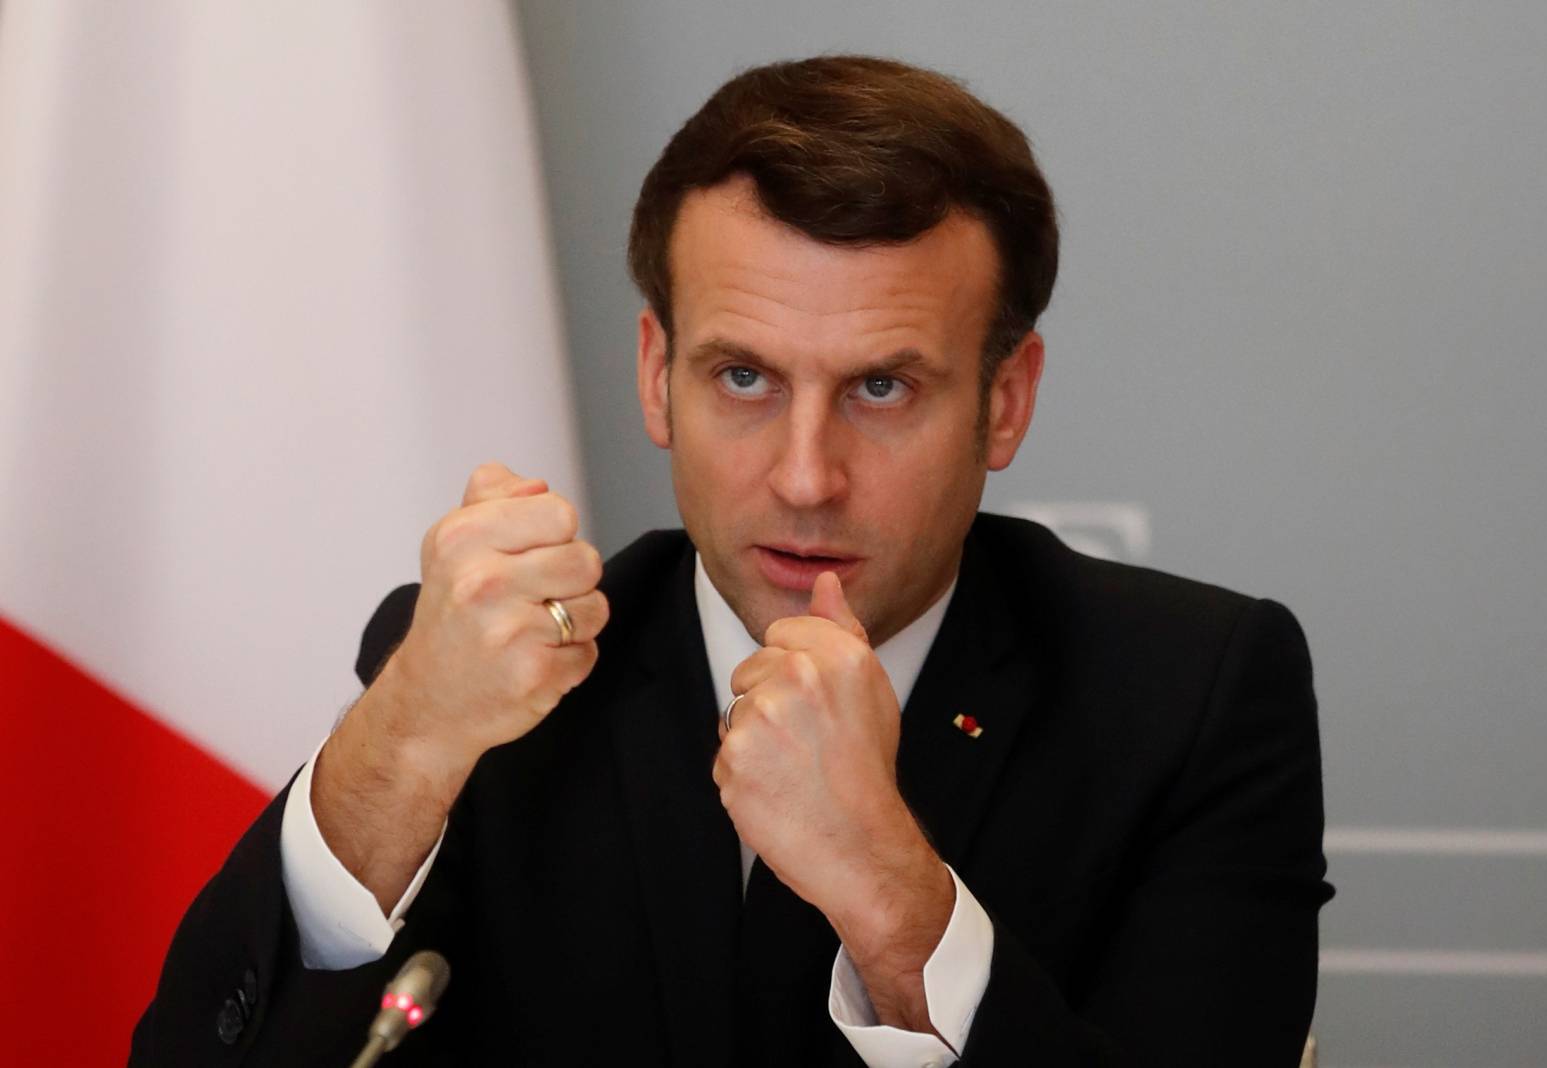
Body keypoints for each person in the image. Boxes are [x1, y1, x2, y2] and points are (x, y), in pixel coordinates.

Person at [133, 54, 1332, 1066]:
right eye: (743, 378)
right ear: (658, 374)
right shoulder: (491, 674)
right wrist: (396, 748)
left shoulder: (1190, 694)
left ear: (1004, 402)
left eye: (881, 387)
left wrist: (891, 897)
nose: (806, 476)